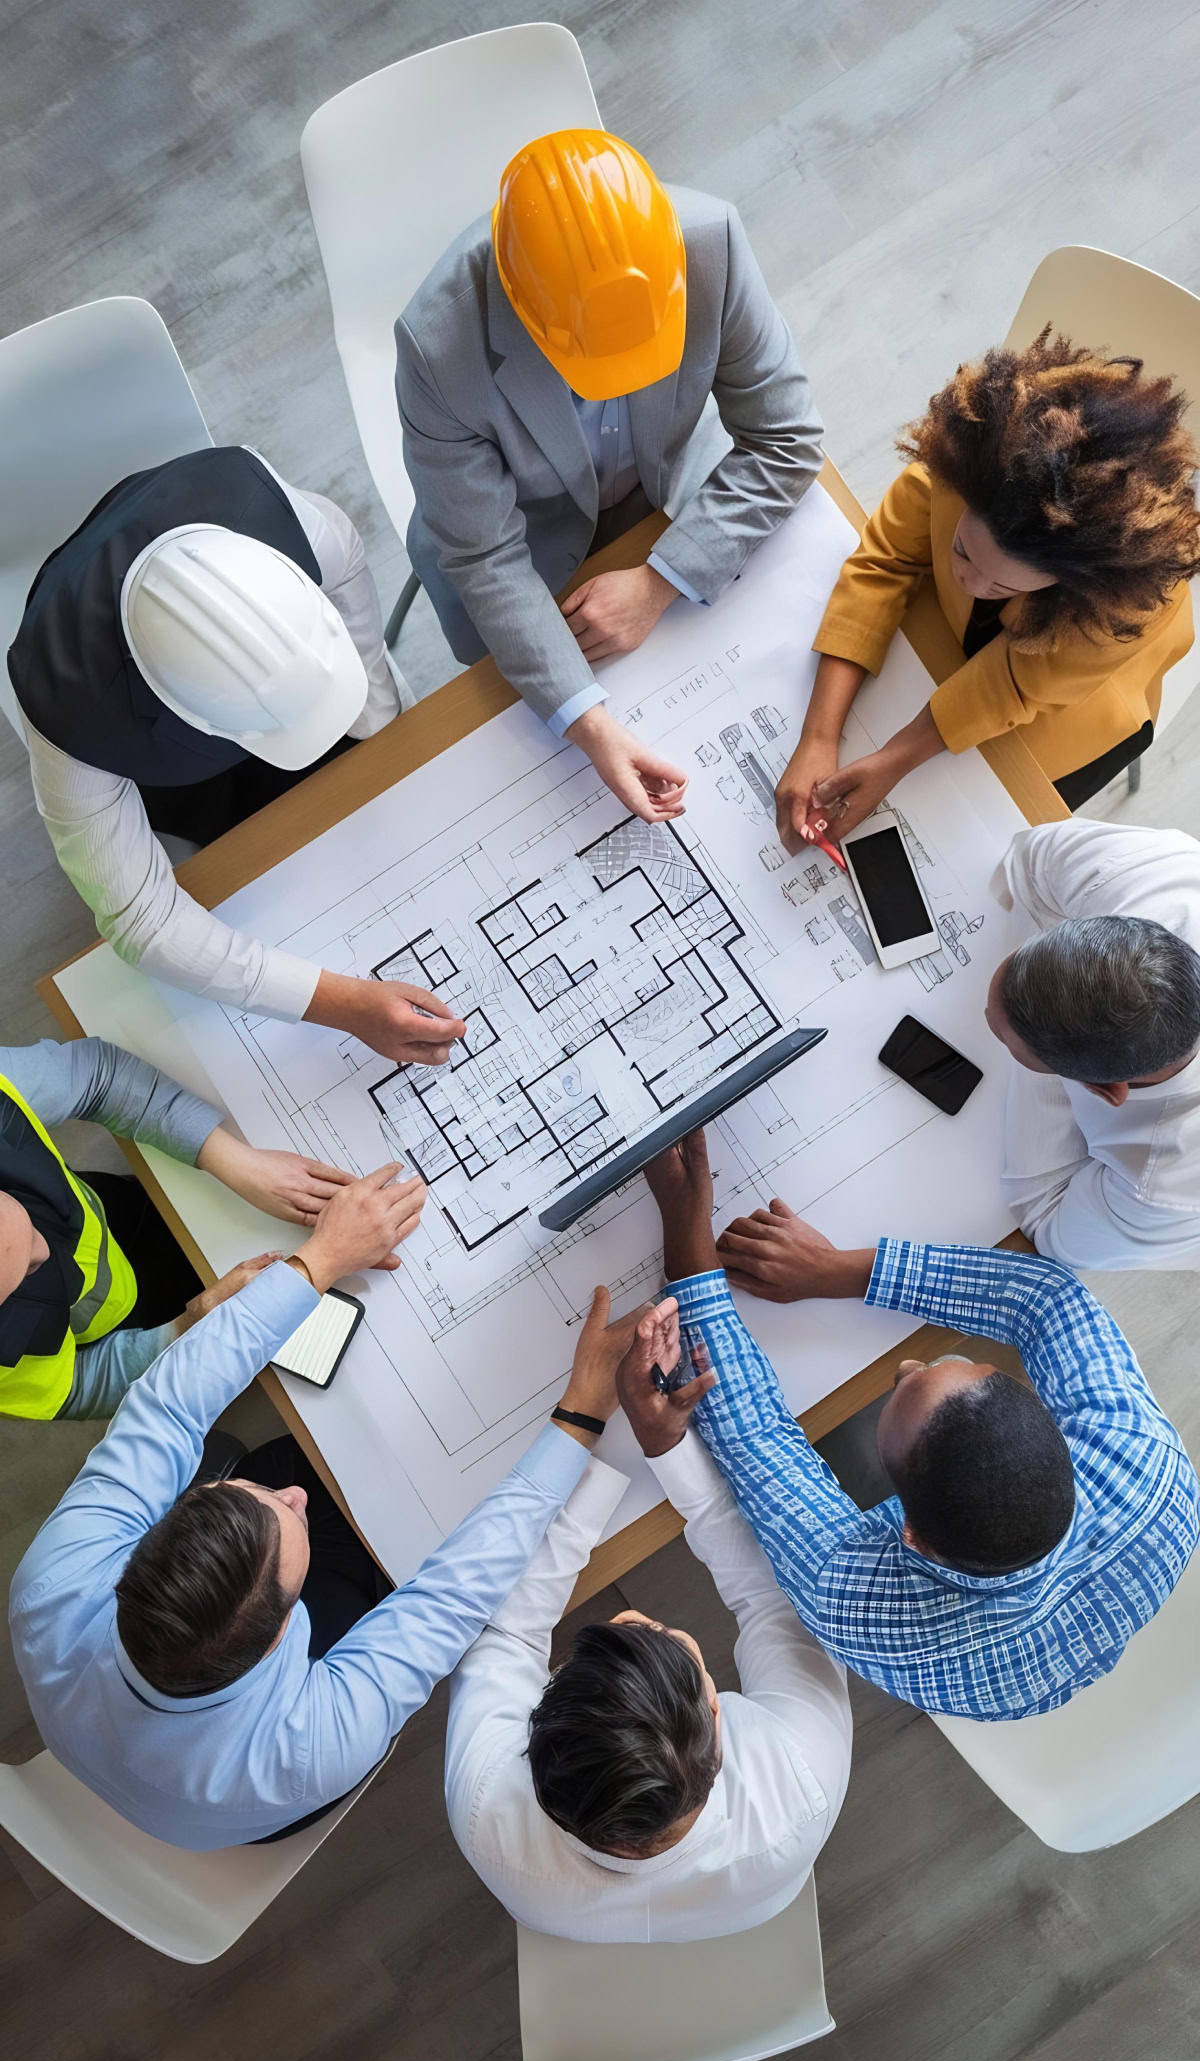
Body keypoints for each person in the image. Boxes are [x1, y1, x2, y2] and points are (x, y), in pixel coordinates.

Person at [8, 1176, 643, 1849]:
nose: (295, 1498)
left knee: (291, 1465)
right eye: (288, 1516)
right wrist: (579, 1415)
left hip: (115, 1732)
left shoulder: (55, 1579)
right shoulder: (312, 1747)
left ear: (153, 1535)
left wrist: (323, 1258)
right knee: (395, 1559)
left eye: (249, 1497)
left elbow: (167, 1402)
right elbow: (448, 1600)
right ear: (286, 1632)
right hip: (248, 1797)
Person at [656, 1131, 1196, 1720]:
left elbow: (754, 1436)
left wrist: (686, 1223)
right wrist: (841, 1272)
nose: (909, 1363)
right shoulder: (1146, 1462)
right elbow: (1052, 1301)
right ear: (1062, 1432)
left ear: (906, 1533)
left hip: (978, 1660)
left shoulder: (866, 1609)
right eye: (954, 1368)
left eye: (898, 1392)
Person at [396, 128, 823, 824]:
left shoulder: (709, 242)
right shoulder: (437, 346)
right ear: (519, 306)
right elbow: (482, 554)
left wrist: (661, 580)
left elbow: (789, 435)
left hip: (668, 497)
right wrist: (589, 725)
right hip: (519, 549)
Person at [8, 445, 465, 1066]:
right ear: (196, 724)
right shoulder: (71, 715)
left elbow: (349, 568)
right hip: (158, 757)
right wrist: (340, 1002)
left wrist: (376, 736)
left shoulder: (278, 516)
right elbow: (141, 920)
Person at [444, 1303, 851, 1944]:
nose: (633, 1615)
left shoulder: (486, 1814)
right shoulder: (802, 1777)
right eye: (653, 1637)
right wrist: (663, 1443)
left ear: (533, 1740)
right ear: (718, 1718)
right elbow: (774, 1601)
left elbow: (511, 1635)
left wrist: (587, 1428)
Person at [775, 331, 1200, 850]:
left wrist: (893, 762)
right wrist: (818, 736)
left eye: (1000, 583)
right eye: (961, 551)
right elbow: (885, 560)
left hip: (1070, 707)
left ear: (1067, 582)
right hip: (951, 639)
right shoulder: (967, 473)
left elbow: (1012, 687)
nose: (970, 581)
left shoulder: (1119, 605)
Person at [0, 1033, 357, 1421]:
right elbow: (76, 1387)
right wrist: (189, 1327)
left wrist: (239, 1165)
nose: (46, 1252)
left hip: (111, 1210)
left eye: (19, 1220)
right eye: (22, 1276)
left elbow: (97, 1075)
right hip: (128, 1324)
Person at [987, 818, 1200, 1269]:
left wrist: (1033, 1069)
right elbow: (1027, 860)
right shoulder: (1156, 877)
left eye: (1001, 1038)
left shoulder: (1162, 1188)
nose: (984, 1016)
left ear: (1106, 1091)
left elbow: (1049, 1225)